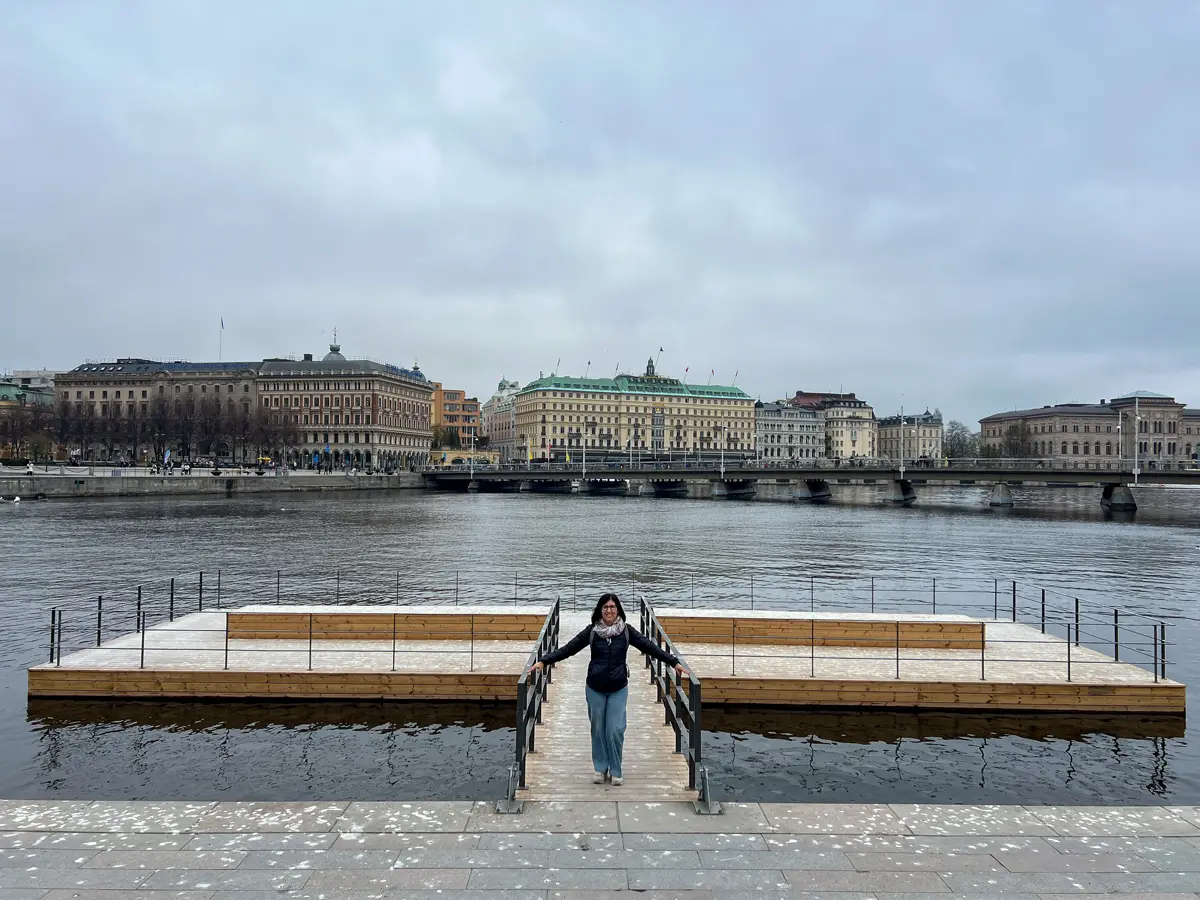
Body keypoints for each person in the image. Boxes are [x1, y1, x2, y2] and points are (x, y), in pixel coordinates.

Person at [529, 593, 688, 786]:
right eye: (605, 607)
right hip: (594, 687)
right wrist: (544, 661)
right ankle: (600, 767)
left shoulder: (627, 631)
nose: (609, 610)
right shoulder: (592, 631)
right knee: (597, 729)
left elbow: (651, 647)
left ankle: (616, 769)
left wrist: (674, 662)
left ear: (618, 609)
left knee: (615, 729)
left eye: (612, 607)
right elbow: (569, 649)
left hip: (618, 687)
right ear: (600, 610)